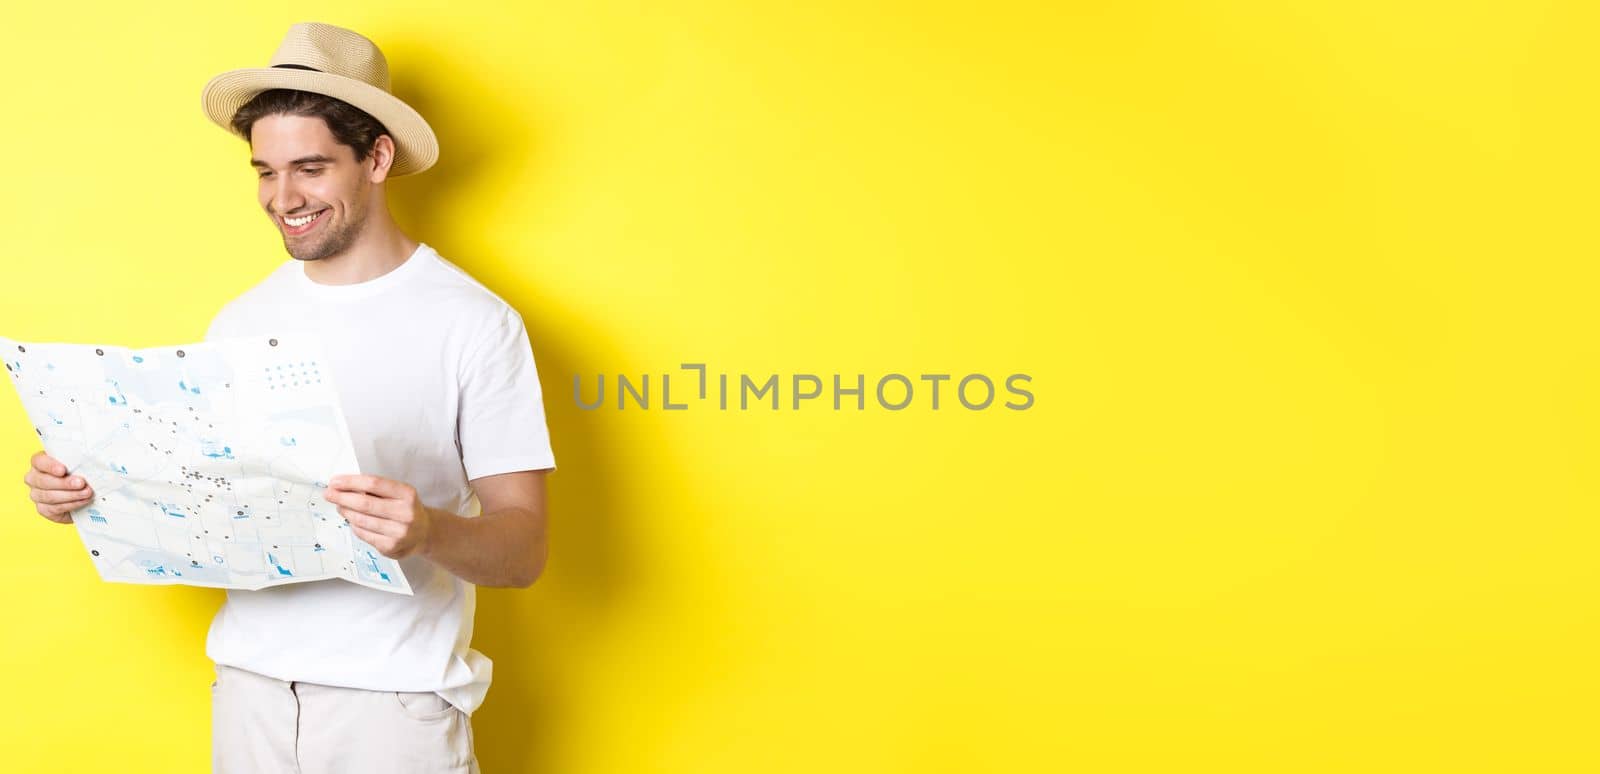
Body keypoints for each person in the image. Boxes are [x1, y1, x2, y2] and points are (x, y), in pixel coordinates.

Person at [19, 22, 555, 773]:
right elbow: (210, 505)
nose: (284, 198)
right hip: (250, 699)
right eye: (265, 171)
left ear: (376, 157)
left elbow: (524, 547)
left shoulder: (475, 323)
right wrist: (89, 488)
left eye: (309, 168)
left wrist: (428, 531)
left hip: (393, 712)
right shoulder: (243, 319)